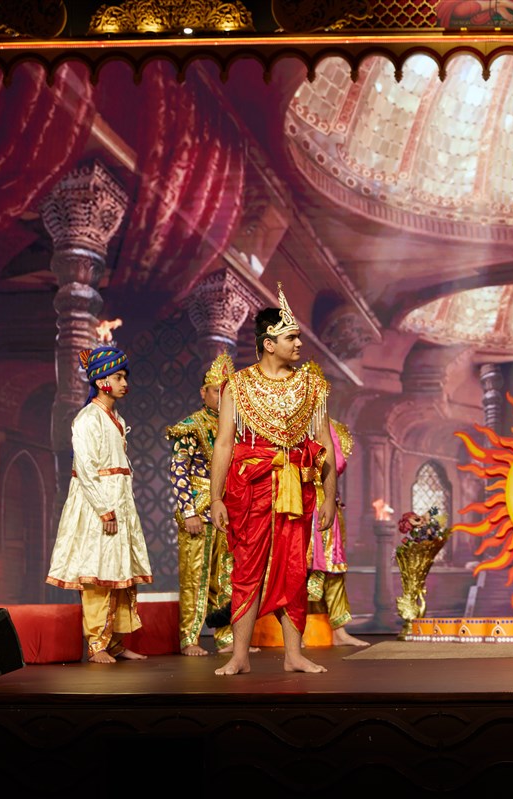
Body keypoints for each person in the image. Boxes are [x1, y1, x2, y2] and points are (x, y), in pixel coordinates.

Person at [210, 282, 336, 675]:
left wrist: (330, 497)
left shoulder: (312, 385)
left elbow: (325, 444)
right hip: (251, 489)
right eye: (291, 337)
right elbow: (224, 444)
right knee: (246, 568)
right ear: (269, 343)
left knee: (294, 568)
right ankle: (239, 656)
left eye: (298, 337)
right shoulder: (238, 386)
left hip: (297, 489)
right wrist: (215, 498)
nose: (299, 344)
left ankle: (294, 654)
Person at [46, 345, 152, 663]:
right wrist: (105, 509)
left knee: (119, 571)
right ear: (102, 381)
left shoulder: (116, 417)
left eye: (124, 377)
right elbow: (86, 468)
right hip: (98, 504)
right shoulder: (87, 418)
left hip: (119, 500)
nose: (124, 383)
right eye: (118, 377)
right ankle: (96, 644)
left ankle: (115, 642)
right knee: (97, 573)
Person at [167, 353, 235, 656]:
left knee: (226, 575)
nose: (221, 397)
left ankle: (225, 636)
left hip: (227, 511)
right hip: (198, 507)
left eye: (227, 392)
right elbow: (178, 471)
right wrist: (189, 511)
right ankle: (189, 638)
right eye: (216, 391)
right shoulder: (190, 427)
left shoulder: (235, 428)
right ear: (203, 392)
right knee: (195, 576)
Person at [307, 419, 368, 647]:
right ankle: (294, 631)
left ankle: (339, 631)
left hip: (324, 503)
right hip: (294, 503)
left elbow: (337, 463)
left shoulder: (327, 425)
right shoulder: (285, 422)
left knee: (334, 568)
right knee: (295, 568)